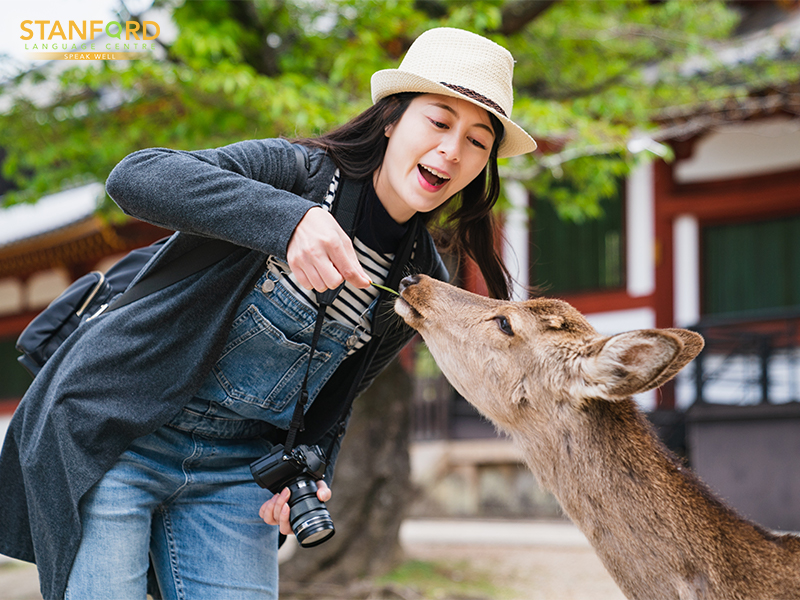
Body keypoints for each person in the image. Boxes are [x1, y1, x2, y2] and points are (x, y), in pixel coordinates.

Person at [0, 27, 537, 599]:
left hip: (238, 471)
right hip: (121, 432)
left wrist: (311, 474)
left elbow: (339, 391)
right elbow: (135, 177)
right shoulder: (296, 172)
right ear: (391, 120)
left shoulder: (420, 273)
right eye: (438, 121)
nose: (453, 150)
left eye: (478, 141)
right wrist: (288, 221)